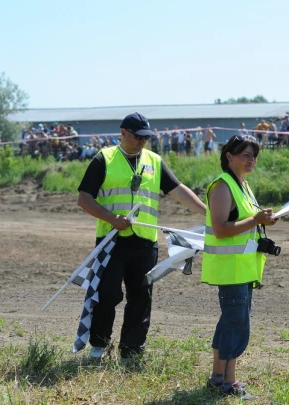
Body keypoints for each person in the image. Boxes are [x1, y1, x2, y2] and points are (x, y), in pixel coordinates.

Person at [77, 112, 206, 359]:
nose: (142, 142)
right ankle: (99, 345)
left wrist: (208, 212)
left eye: (146, 138)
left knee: (141, 296)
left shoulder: (154, 161)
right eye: (137, 137)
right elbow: (84, 199)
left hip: (145, 242)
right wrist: (112, 219)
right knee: (107, 293)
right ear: (123, 133)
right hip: (111, 240)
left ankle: (132, 349)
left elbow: (178, 190)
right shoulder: (103, 158)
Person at [201, 134, 278, 399]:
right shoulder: (222, 186)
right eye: (245, 154)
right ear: (229, 157)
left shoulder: (242, 186)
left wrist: (262, 221)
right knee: (236, 324)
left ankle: (217, 377)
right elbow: (221, 229)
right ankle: (228, 384)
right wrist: (256, 219)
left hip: (242, 268)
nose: (251, 159)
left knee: (229, 322)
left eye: (254, 155)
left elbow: (243, 223)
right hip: (230, 269)